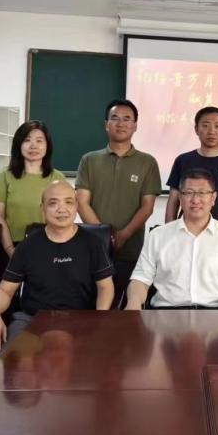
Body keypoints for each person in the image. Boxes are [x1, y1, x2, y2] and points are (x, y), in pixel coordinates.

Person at [0, 180, 114, 367]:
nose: (62, 209)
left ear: (76, 207)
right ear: (42, 209)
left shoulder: (93, 244)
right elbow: (6, 290)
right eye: (53, 203)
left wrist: (99, 317)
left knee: (93, 366)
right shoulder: (28, 246)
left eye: (68, 202)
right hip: (32, 322)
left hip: (80, 322)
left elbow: (105, 286)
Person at [127, 169, 218, 310]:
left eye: (202, 193)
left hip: (216, 315)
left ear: (213, 198)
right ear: (180, 198)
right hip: (166, 314)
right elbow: (140, 280)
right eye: (188, 193)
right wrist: (133, 302)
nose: (195, 200)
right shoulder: (158, 236)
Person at [75, 99, 161, 305]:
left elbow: (147, 207)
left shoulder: (147, 162)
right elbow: (82, 202)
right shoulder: (89, 160)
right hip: (93, 247)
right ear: (106, 124)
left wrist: (122, 236)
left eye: (127, 119)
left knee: (125, 306)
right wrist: (103, 237)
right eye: (115, 118)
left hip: (131, 249)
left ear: (135, 126)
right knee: (91, 306)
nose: (121, 123)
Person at [165, 107, 218, 243]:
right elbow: (173, 199)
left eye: (217, 126)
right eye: (205, 125)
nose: (211, 131)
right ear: (196, 129)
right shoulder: (183, 160)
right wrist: (169, 234)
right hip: (187, 233)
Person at [0, 120, 66, 258]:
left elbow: (63, 216)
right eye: (27, 140)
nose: (33, 146)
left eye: (39, 141)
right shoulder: (6, 176)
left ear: (47, 145)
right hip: (11, 246)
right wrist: (10, 250)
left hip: (50, 245)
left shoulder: (57, 178)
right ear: (19, 144)